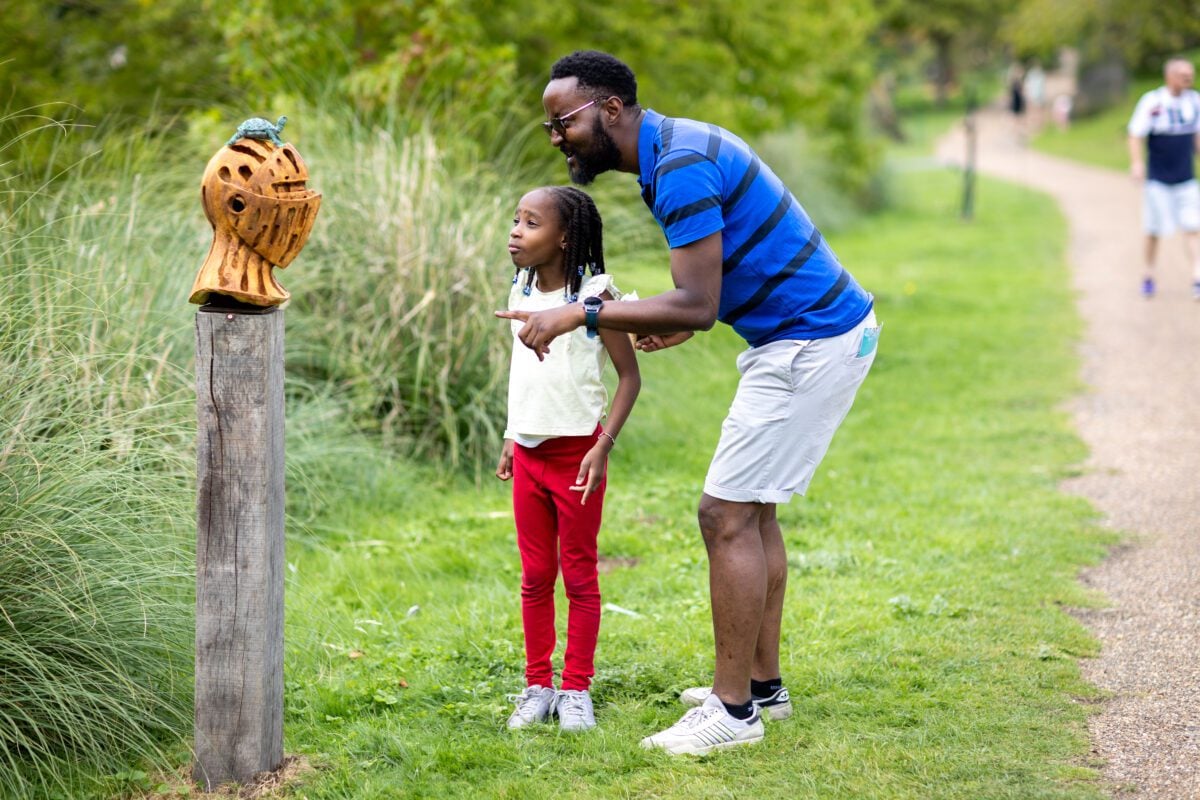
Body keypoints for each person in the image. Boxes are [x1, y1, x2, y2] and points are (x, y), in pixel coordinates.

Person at [496, 50, 879, 755]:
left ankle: (733, 714)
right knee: (752, 510)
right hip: (804, 336)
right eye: (551, 127)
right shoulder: (673, 152)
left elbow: (698, 305)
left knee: (725, 515)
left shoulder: (676, 168)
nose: (557, 138)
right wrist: (661, 314)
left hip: (809, 340)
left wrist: (580, 316)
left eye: (565, 122)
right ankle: (762, 689)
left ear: (610, 108)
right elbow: (711, 287)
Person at [496, 184, 641, 733]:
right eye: (516, 219)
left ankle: (576, 687)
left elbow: (630, 377)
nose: (515, 231)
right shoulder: (521, 288)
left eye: (530, 223)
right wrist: (513, 436)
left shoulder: (598, 297)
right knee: (535, 575)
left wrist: (603, 446)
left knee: (579, 575)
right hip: (529, 455)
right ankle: (538, 684)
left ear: (563, 238)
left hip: (579, 456)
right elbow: (524, 374)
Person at [1127, 57, 1200, 300]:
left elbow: (1196, 138)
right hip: (1158, 180)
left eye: (1190, 74)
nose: (1188, 78)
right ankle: (1148, 274)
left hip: (1186, 179)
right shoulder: (1153, 102)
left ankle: (1197, 277)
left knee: (1193, 228)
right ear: (1169, 76)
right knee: (1154, 230)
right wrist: (1137, 163)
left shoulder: (1195, 102)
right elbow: (1135, 134)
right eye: (1183, 74)